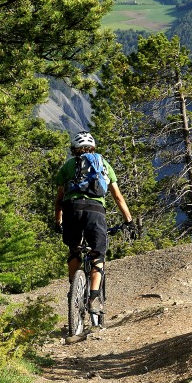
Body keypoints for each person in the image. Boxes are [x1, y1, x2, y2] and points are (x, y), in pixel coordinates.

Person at [54, 131, 135, 316]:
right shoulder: (104, 165)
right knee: (98, 254)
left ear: (74, 150)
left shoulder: (68, 166)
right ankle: (93, 298)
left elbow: (59, 200)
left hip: (72, 210)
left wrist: (58, 221)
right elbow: (117, 197)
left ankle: (73, 289)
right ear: (93, 148)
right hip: (95, 211)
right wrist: (128, 221)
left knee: (74, 249)